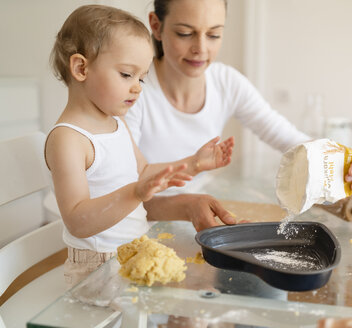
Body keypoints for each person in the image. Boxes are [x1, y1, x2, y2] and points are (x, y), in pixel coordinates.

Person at [45, 4, 235, 287]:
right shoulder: (69, 139)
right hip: (97, 267)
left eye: (141, 77)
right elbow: (77, 221)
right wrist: (135, 193)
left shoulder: (117, 124)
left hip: (134, 250)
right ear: (81, 68)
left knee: (199, 286)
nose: (138, 87)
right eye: (126, 75)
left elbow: (143, 171)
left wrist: (194, 163)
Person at [125, 0, 352, 203]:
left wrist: (340, 159)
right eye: (185, 33)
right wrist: (186, 203)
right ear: (156, 27)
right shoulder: (132, 92)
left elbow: (288, 138)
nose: (200, 48)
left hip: (197, 206)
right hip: (139, 216)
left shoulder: (226, 82)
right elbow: (125, 186)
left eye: (214, 34)